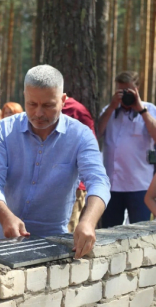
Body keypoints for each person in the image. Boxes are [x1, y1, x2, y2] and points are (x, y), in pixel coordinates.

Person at [0, 65, 110, 259]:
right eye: (32, 104)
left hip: (52, 240)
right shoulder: (3, 130)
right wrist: (5, 216)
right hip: (0, 234)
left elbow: (99, 181)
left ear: (63, 100)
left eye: (48, 105)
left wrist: (87, 222)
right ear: (24, 95)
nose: (39, 113)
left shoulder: (80, 135)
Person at [98, 71, 156, 228]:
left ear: (137, 88)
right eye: (121, 91)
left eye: (128, 90)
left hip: (140, 185)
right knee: (109, 232)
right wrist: (111, 107)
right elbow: (97, 132)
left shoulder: (150, 109)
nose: (124, 95)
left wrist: (141, 110)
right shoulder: (109, 110)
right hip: (111, 185)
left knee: (140, 232)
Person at [61, 96, 96, 232]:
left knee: (65, 236)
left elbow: (90, 152)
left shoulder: (78, 111)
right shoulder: (38, 108)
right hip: (46, 186)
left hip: (74, 188)